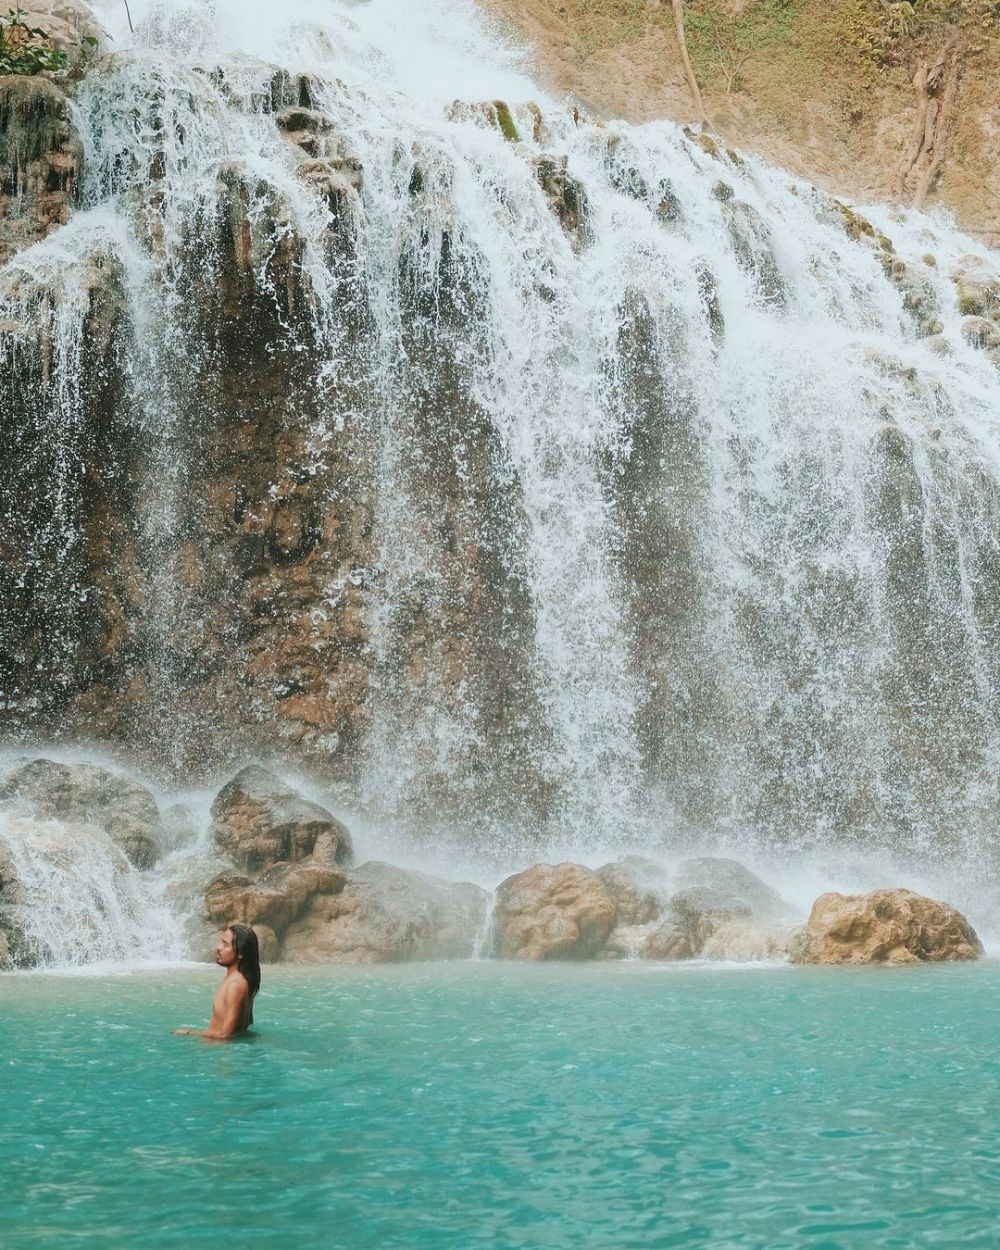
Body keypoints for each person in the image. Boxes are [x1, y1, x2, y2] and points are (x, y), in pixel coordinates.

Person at [174, 923, 261, 1040]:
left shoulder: (235, 985)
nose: (219, 948)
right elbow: (245, 1025)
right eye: (221, 942)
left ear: (240, 953)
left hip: (221, 1053)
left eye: (225, 945)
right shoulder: (243, 979)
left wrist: (189, 1033)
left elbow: (225, 1035)